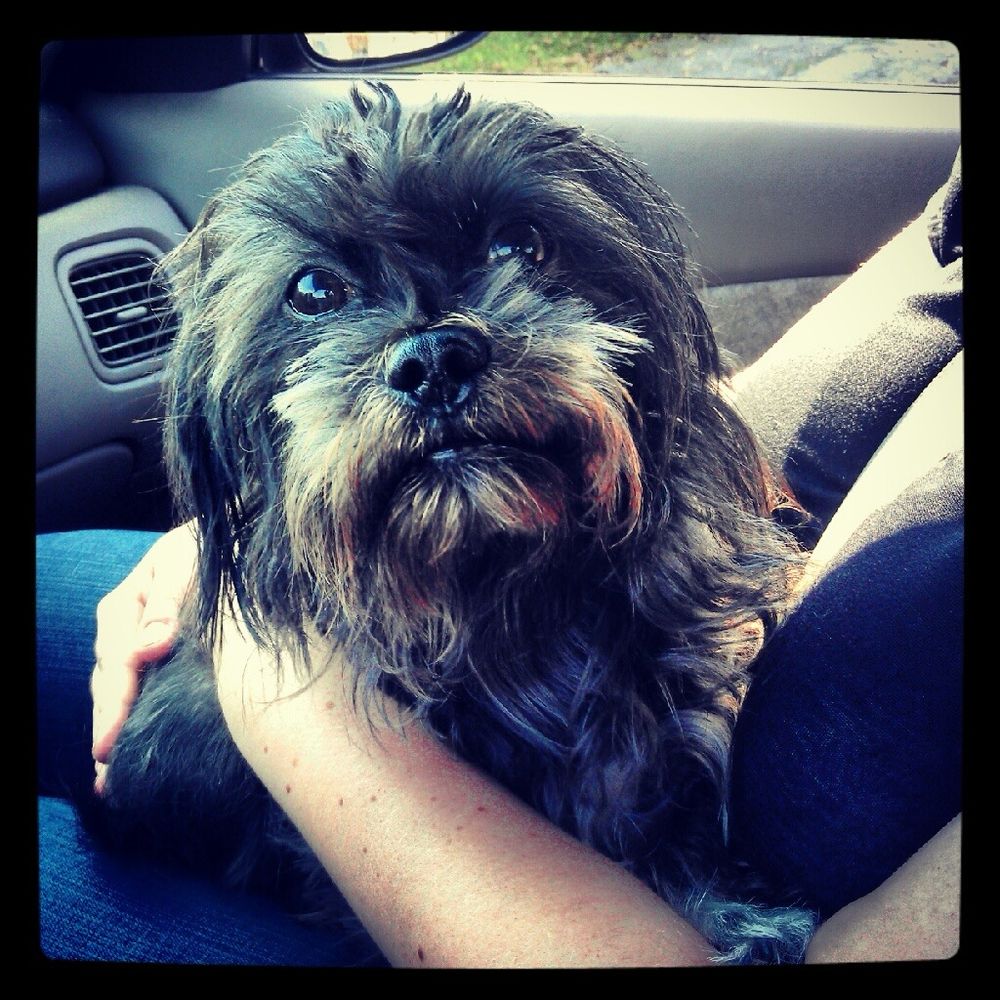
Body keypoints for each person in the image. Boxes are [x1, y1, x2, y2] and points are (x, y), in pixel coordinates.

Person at [37, 151, 963, 966]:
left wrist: (258, 654)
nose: (430, 352)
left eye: (521, 250)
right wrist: (230, 535)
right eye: (315, 296)